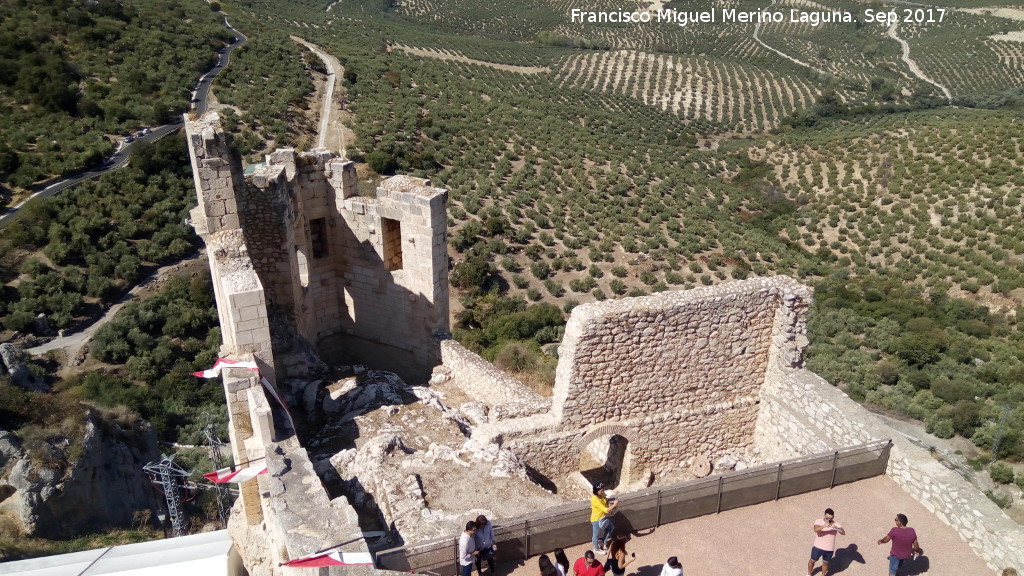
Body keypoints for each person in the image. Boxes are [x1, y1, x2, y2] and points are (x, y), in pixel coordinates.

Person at [808, 507, 845, 576]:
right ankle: (809, 574)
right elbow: (815, 529)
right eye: (827, 518)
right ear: (824, 515)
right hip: (817, 547)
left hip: (829, 549)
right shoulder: (819, 521)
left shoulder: (836, 524)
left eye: (831, 518)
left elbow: (843, 532)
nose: (829, 519)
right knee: (812, 560)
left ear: (833, 517)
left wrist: (835, 528)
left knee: (826, 563)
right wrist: (824, 526)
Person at [590, 482, 619, 554]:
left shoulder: (601, 495)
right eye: (601, 490)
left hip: (602, 518)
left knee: (610, 528)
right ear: (596, 492)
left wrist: (609, 504)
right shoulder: (595, 499)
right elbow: (606, 510)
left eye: (603, 490)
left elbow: (606, 500)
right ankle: (596, 549)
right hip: (596, 520)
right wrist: (614, 504)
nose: (603, 491)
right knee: (595, 536)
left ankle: (603, 542)